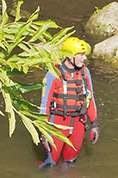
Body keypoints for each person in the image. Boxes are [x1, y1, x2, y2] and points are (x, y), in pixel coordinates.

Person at [38, 37, 100, 168]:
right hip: (58, 123)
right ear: (69, 56)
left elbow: (90, 99)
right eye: (80, 55)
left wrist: (94, 124)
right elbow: (45, 105)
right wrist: (44, 133)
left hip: (78, 123)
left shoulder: (85, 72)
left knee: (70, 163)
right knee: (51, 163)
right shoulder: (53, 73)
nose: (84, 58)